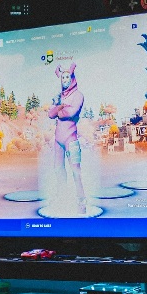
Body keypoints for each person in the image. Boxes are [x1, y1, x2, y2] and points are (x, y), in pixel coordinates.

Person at [47, 62, 86, 214]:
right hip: (58, 139)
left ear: (72, 77)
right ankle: (61, 196)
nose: (64, 79)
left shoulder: (78, 95)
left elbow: (71, 112)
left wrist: (59, 109)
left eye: (67, 76)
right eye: (62, 77)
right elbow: (50, 114)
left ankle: (81, 201)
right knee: (58, 169)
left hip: (71, 139)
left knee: (76, 171)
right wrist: (59, 108)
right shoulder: (59, 96)